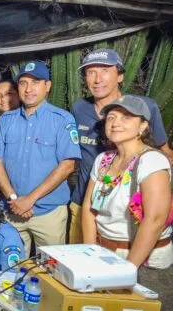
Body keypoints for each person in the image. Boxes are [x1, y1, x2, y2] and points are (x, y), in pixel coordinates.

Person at [81, 95, 172, 311]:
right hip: (106, 257)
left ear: (144, 126)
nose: (116, 123)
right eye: (111, 118)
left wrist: (127, 270)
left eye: (126, 117)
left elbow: (155, 219)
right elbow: (89, 209)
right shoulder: (104, 160)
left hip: (141, 263)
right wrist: (90, 255)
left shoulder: (152, 161)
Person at [70, 48, 172, 243]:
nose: (97, 79)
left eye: (105, 71)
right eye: (91, 72)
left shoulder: (145, 107)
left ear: (120, 76)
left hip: (126, 212)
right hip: (83, 205)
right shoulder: (79, 109)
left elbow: (164, 152)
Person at [0, 61, 81, 256]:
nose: (28, 89)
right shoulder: (6, 120)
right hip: (11, 211)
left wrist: (30, 199)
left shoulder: (62, 119)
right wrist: (14, 199)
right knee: (12, 267)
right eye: (23, 83)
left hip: (49, 214)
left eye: (35, 82)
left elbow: (67, 166)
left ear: (47, 86)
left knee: (51, 268)